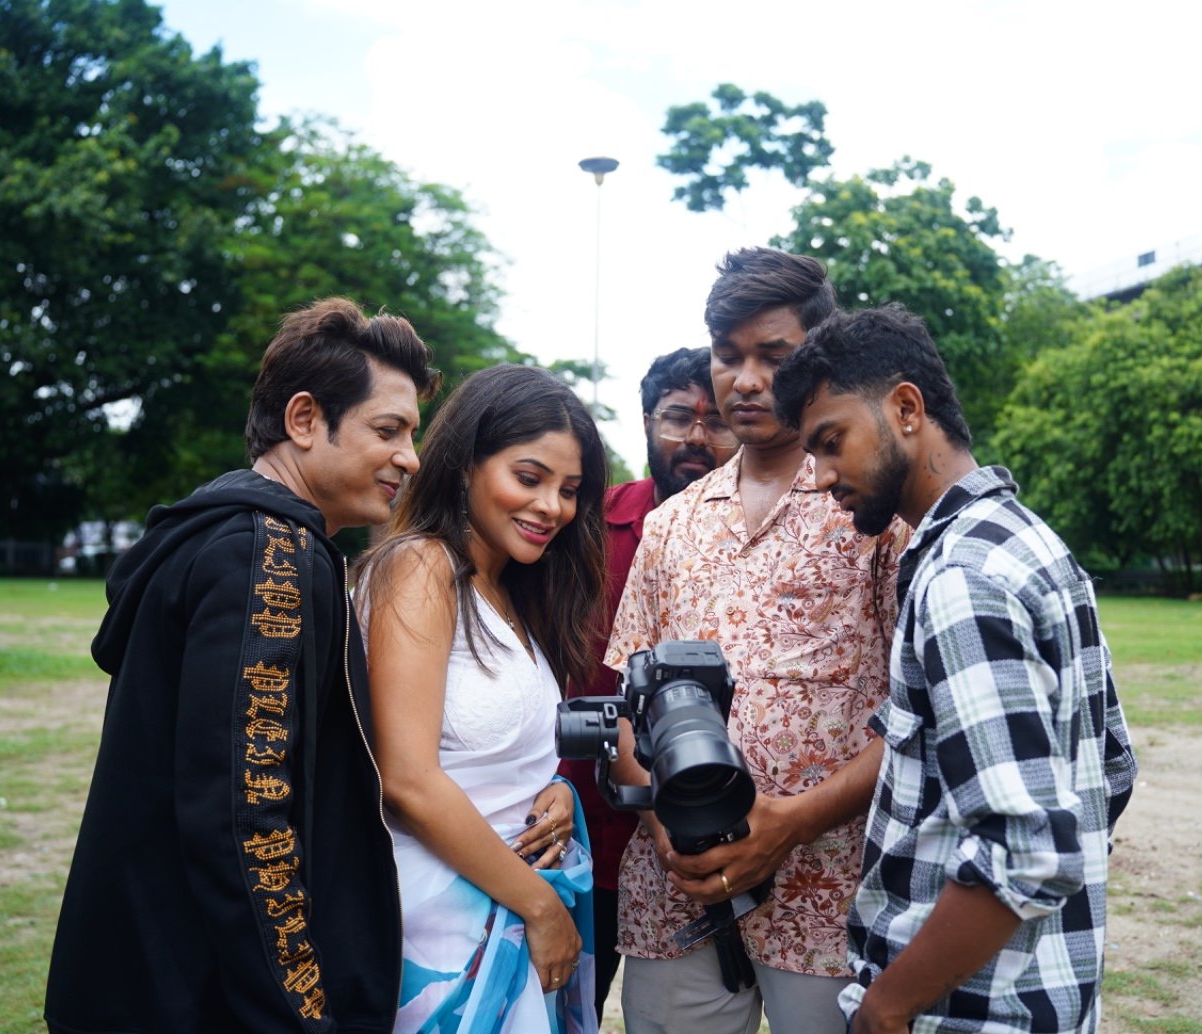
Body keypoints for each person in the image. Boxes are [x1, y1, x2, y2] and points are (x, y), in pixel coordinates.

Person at [45, 297, 437, 1034]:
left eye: (411, 435)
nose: (410, 458)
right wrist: (303, 1013)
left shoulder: (219, 535)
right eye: (388, 430)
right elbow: (246, 821)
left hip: (136, 978)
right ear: (303, 419)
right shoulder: (269, 555)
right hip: (199, 1002)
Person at [772, 305, 1139, 1034]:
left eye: (831, 442)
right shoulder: (1029, 542)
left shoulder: (961, 581)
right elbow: (1112, 770)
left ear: (906, 409)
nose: (819, 477)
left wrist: (889, 1005)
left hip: (969, 1013)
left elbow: (1028, 849)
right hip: (1042, 996)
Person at [605, 248, 909, 1034]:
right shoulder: (671, 524)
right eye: (727, 355)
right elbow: (626, 709)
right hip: (677, 893)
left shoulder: (871, 509)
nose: (744, 380)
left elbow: (922, 718)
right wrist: (667, 832)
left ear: (818, 355)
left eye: (772, 356)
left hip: (831, 895)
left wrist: (791, 824)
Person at [357, 363, 609, 1032]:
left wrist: (556, 790)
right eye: (529, 478)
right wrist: (540, 907)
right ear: (466, 464)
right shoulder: (421, 567)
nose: (552, 507)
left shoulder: (513, 589)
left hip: (509, 901)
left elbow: (497, 748)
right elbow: (407, 781)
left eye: (570, 490)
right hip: (439, 922)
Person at [557, 345, 739, 1022]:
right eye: (678, 418)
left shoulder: (749, 542)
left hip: (698, 821)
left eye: (716, 421)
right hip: (579, 819)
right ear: (645, 423)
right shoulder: (583, 525)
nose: (697, 437)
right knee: (562, 1007)